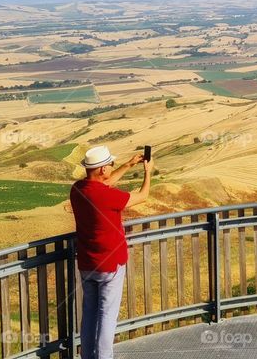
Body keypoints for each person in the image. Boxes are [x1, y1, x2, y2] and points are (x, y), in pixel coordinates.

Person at [69, 146, 152, 359]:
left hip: (88, 263)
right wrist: (147, 172)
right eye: (110, 165)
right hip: (110, 264)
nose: (111, 168)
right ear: (103, 169)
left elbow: (104, 183)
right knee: (107, 316)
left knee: (89, 314)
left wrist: (128, 164)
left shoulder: (77, 189)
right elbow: (142, 196)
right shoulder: (107, 196)